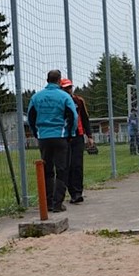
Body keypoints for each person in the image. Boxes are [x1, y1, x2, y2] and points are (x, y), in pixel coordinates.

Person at [27, 70, 78, 213]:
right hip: (60, 136)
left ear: (47, 79)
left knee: (46, 170)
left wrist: (36, 133)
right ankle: (57, 204)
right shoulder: (64, 96)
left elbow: (31, 117)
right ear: (59, 80)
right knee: (62, 170)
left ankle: (47, 203)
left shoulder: (36, 97)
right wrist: (71, 133)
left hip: (43, 136)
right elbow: (73, 117)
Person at [60, 78, 94, 204]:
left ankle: (78, 192)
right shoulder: (59, 101)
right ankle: (71, 192)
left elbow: (85, 118)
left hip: (78, 136)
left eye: (70, 88)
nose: (68, 90)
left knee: (77, 165)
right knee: (66, 165)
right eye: (65, 88)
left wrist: (89, 135)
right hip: (64, 137)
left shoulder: (78, 101)